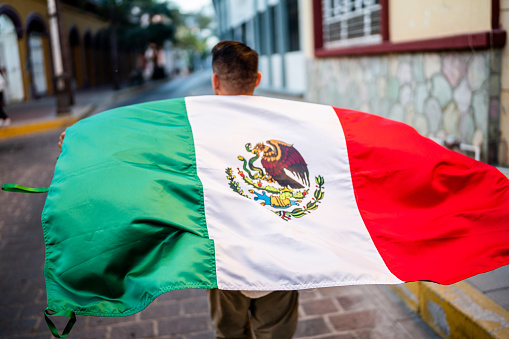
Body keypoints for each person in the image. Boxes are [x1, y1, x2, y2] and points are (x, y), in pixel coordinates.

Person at [58, 40, 299, 339]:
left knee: (229, 333)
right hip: (278, 262)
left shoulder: (193, 129)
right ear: (258, 78)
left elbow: (135, 145)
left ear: (215, 81)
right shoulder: (289, 125)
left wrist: (80, 142)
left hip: (225, 263)